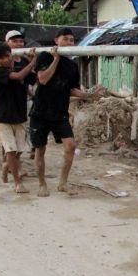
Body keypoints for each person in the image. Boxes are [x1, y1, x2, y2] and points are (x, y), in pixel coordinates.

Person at [30, 27, 100, 197]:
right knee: (40, 150)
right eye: (66, 39)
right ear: (56, 41)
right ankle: (41, 184)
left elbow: (71, 89)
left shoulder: (72, 65)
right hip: (40, 112)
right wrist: (56, 59)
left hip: (60, 113)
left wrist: (88, 95)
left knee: (70, 146)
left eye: (72, 40)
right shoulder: (45, 57)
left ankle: (63, 182)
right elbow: (43, 79)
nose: (69, 43)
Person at [0, 41, 37, 193]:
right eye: (1, 57)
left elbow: (32, 78)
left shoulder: (21, 66)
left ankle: (7, 165)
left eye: (7, 55)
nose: (5, 59)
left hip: (20, 115)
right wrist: (33, 62)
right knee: (10, 150)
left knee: (19, 150)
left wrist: (31, 63)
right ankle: (18, 183)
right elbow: (18, 76)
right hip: (3, 117)